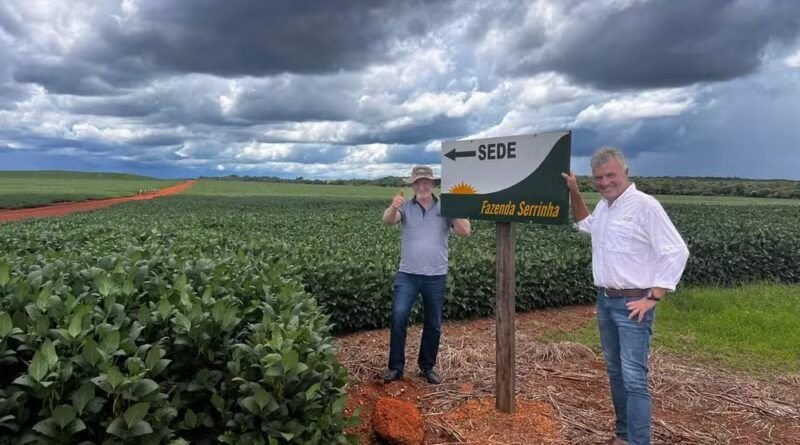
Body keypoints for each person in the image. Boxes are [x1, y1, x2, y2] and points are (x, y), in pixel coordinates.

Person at [562, 147, 689, 445]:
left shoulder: (645, 205)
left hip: (633, 305)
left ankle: (638, 441)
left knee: (633, 378)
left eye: (610, 175)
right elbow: (585, 225)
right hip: (606, 301)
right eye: (599, 178)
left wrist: (653, 297)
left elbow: (676, 251)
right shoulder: (606, 208)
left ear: (626, 172)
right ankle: (623, 436)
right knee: (616, 373)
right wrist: (575, 192)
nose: (605, 182)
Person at [381, 165, 471, 384]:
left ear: (433, 184)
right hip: (408, 274)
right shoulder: (405, 207)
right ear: (412, 185)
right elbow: (387, 220)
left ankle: (427, 366)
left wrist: (454, 210)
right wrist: (393, 207)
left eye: (426, 182)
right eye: (418, 182)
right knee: (399, 315)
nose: (422, 185)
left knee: (433, 323)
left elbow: (465, 231)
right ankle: (396, 367)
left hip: (436, 275)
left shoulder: (445, 206)